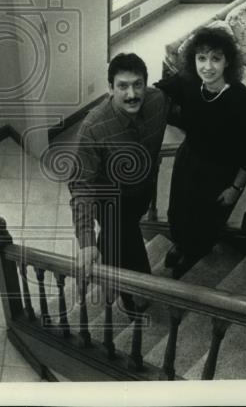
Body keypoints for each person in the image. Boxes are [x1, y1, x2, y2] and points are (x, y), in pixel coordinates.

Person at [155, 26, 246, 271]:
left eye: (215, 59)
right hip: (189, 159)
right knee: (178, 209)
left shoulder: (244, 104)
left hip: (220, 171)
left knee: (204, 219)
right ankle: (181, 244)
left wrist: (236, 187)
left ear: (227, 62)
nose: (207, 66)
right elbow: (160, 90)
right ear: (193, 59)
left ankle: (194, 252)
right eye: (201, 58)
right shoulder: (189, 82)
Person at [67, 53, 168, 314]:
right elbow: (81, 185)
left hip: (141, 191)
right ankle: (133, 296)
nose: (132, 94)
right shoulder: (93, 127)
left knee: (122, 235)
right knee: (129, 244)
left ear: (146, 84)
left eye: (137, 84)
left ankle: (107, 251)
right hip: (109, 201)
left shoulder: (158, 101)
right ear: (110, 88)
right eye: (122, 86)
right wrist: (86, 240)